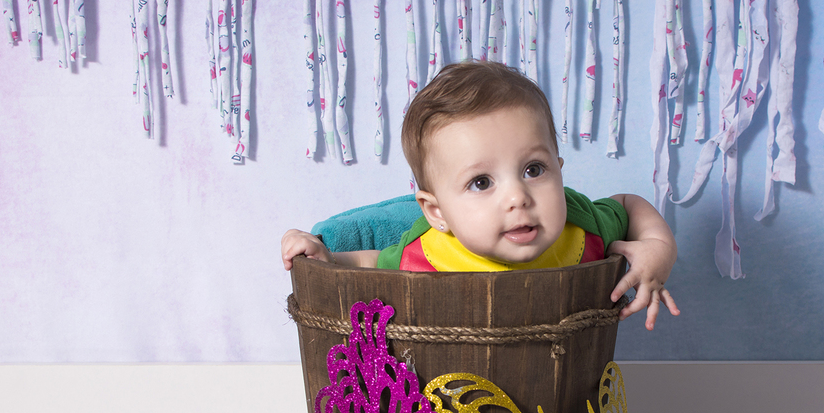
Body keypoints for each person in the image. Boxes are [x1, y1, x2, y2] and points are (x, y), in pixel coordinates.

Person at [281, 60, 680, 330]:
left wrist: (658, 249)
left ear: (559, 167)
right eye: (482, 182)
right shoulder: (428, 252)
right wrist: (325, 254)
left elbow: (628, 204)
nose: (518, 197)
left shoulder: (583, 227)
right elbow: (371, 261)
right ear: (437, 212)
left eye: (533, 170)